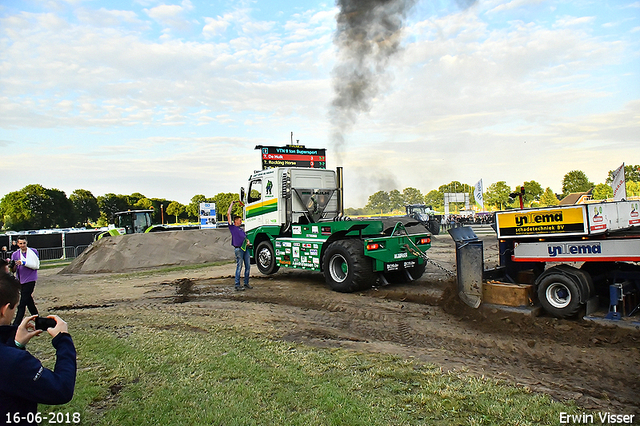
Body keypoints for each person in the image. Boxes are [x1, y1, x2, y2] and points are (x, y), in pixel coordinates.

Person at [0, 272, 76, 424]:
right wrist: (63, 341)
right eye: (14, 308)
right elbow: (60, 389)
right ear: (5, 309)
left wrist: (16, 345)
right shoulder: (14, 361)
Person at [10, 237, 40, 325]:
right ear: (18, 244)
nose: (22, 245)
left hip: (30, 279)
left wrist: (23, 263)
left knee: (22, 303)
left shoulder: (33, 252)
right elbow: (14, 270)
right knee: (29, 301)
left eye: (24, 243)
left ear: (27, 243)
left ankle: (16, 324)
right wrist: (13, 265)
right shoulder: (15, 254)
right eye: (20, 243)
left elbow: (35, 264)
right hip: (21, 280)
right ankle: (38, 319)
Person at [227, 200, 252, 291]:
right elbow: (228, 214)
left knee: (248, 267)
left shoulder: (241, 230)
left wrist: (247, 241)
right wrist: (232, 204)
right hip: (239, 250)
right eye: (240, 220)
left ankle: (246, 283)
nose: (241, 221)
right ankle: (237, 285)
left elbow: (245, 238)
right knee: (239, 267)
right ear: (235, 221)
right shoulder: (232, 228)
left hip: (245, 249)